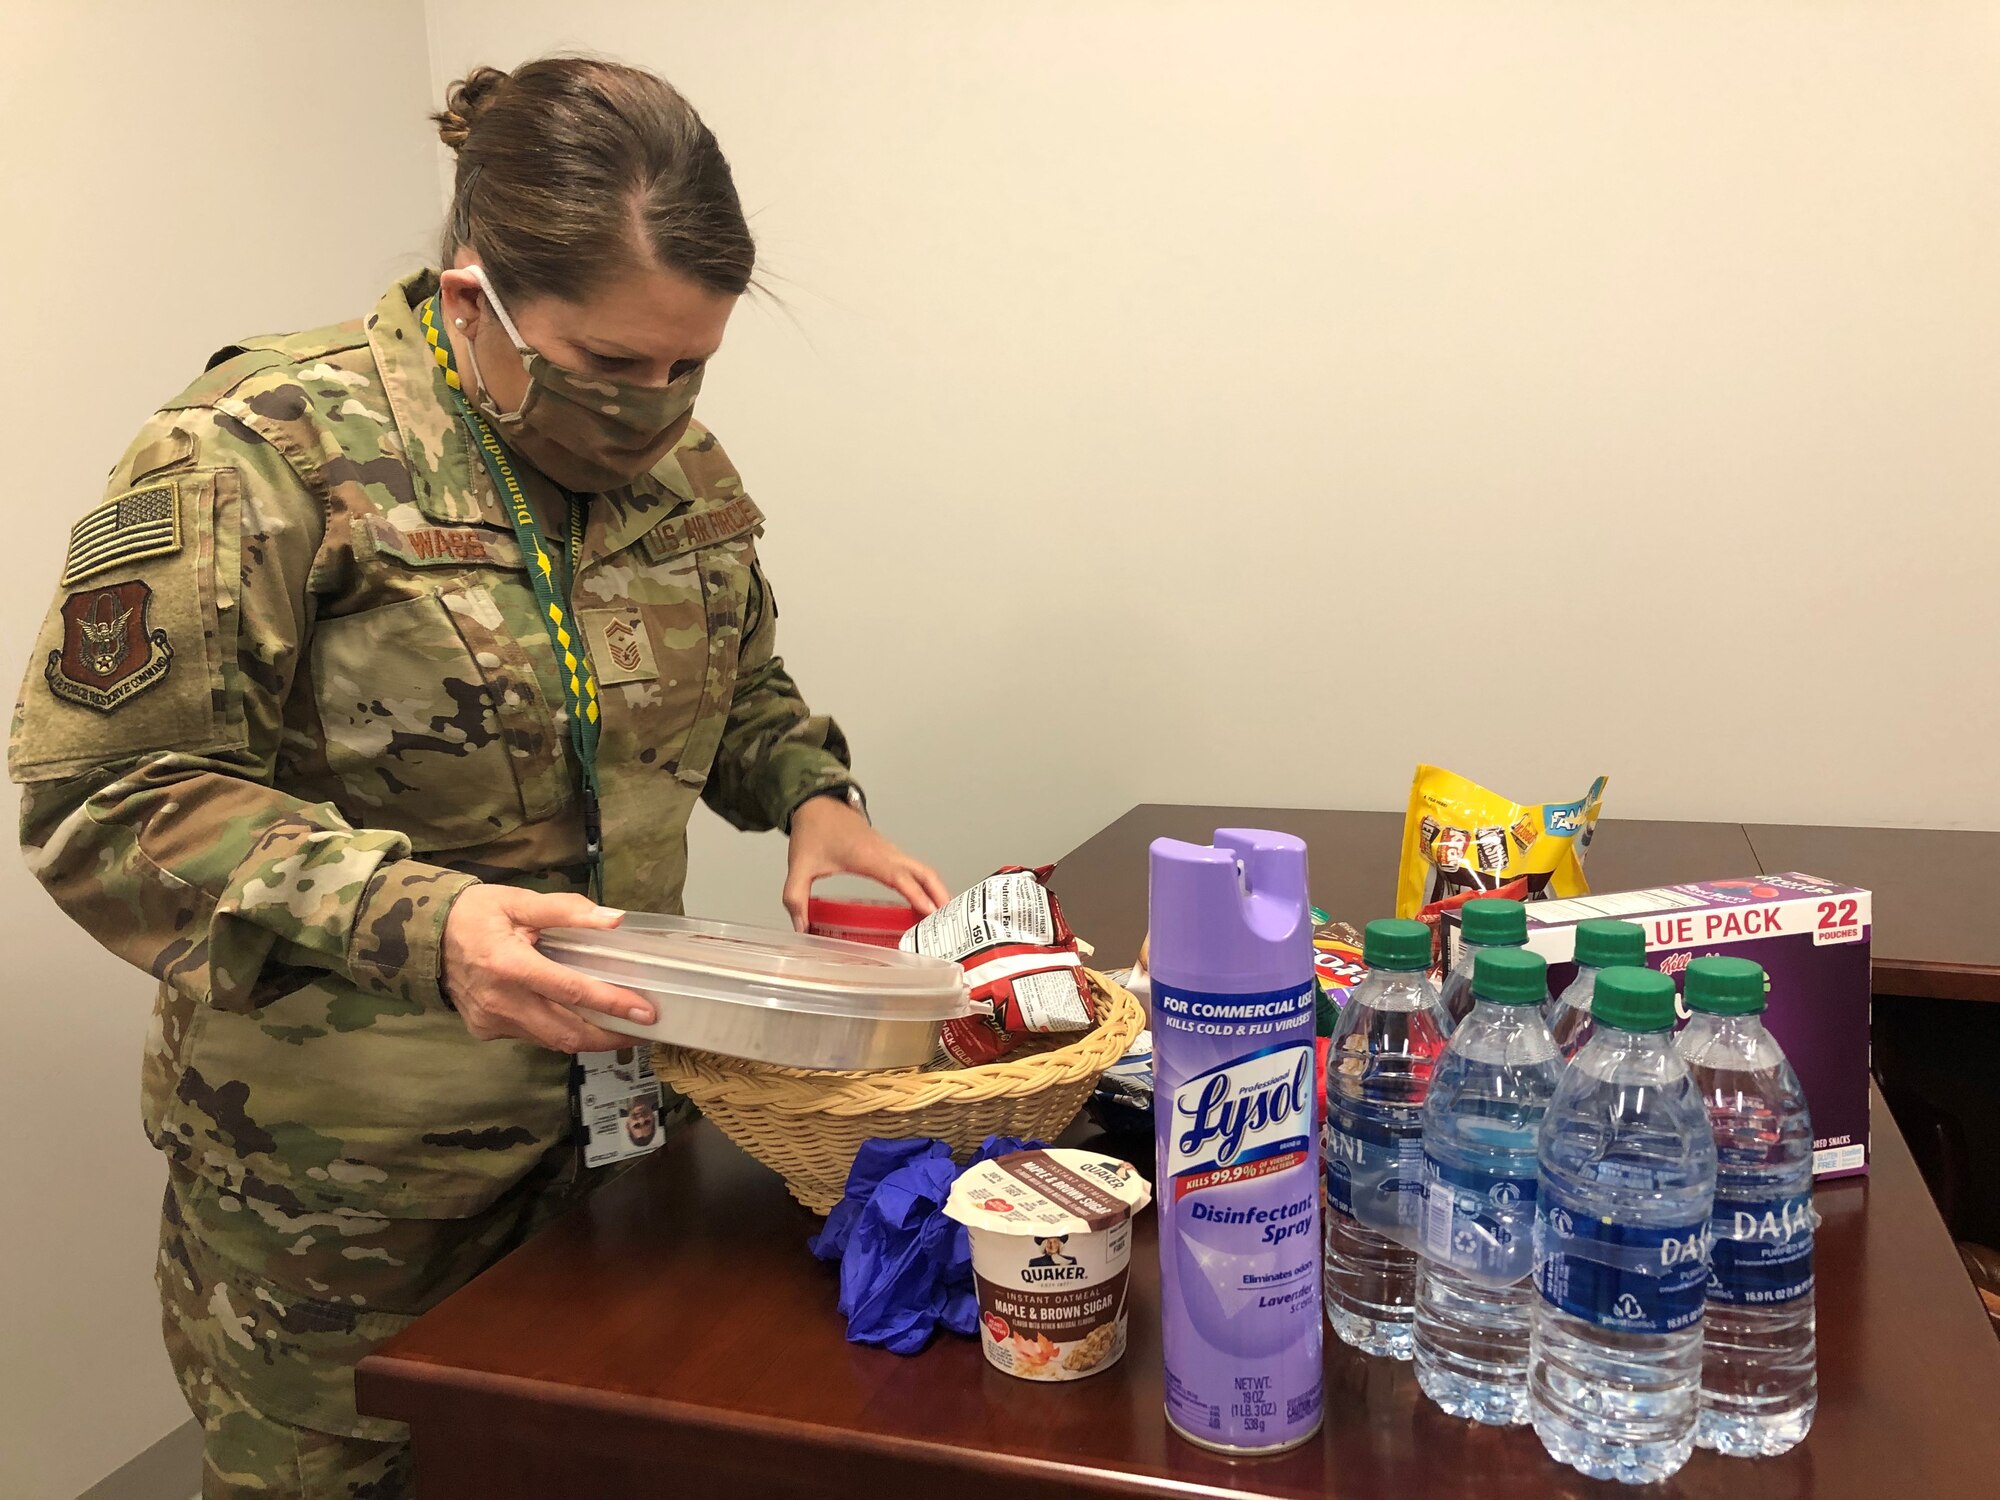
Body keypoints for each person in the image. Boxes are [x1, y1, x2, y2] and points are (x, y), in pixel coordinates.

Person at [9, 57, 948, 1499]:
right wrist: (421, 923)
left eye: (687, 364)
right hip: (344, 1196)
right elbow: (107, 795)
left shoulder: (676, 473)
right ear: (473, 303)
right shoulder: (260, 454)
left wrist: (813, 793)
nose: (656, 408)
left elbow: (734, 684)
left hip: (622, 1148)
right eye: (611, 367)